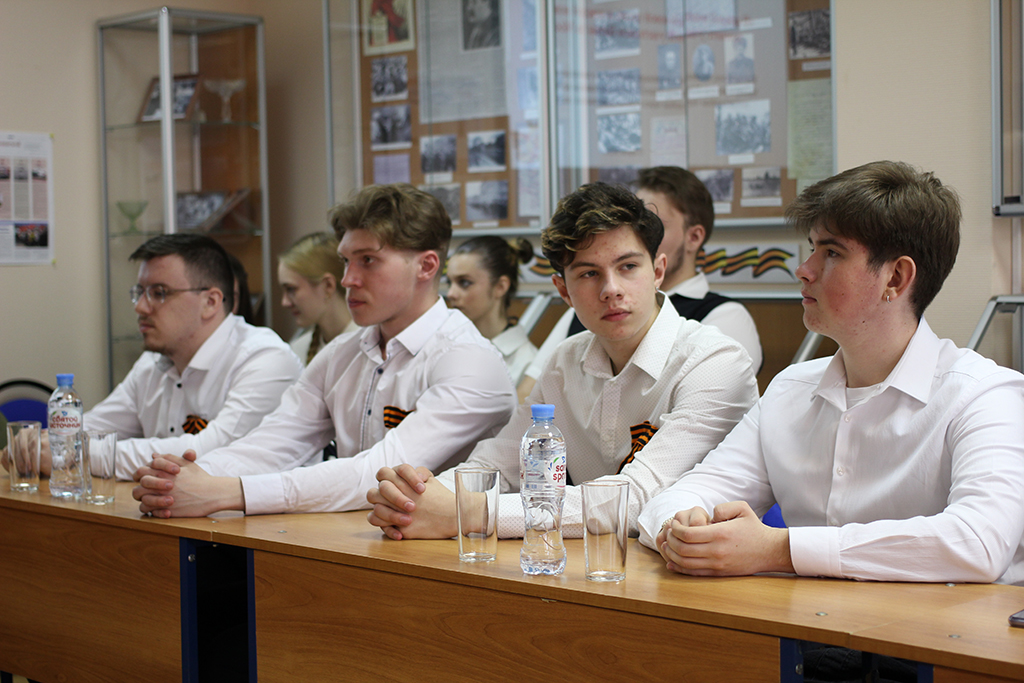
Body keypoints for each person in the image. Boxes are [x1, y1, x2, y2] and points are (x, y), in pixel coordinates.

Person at [639, 161, 1024, 588]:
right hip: (808, 623)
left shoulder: (985, 395)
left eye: (832, 253)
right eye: (812, 248)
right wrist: (682, 528)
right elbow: (684, 494)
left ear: (896, 277)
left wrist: (779, 549)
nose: (804, 269)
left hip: (944, 629)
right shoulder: (790, 390)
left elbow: (979, 542)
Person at [365, 182, 759, 541]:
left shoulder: (715, 362)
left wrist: (468, 512)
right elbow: (501, 461)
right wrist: (416, 499)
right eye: (588, 274)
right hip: (592, 567)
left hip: (697, 577)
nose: (611, 289)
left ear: (657, 271)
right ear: (563, 291)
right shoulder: (565, 361)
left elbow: (635, 498)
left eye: (627, 267)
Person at [131, 183, 515, 518]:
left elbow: (378, 473)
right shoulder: (343, 352)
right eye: (346, 261)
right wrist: (185, 479)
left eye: (368, 261)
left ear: (426, 266)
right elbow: (276, 441)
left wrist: (231, 492)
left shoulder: (470, 361)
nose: (348, 279)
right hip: (355, 538)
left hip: (453, 559)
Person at [0, 234, 303, 481]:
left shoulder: (265, 359)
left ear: (210, 302)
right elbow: (94, 427)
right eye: (139, 292)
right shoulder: (151, 364)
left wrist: (73, 453)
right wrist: (43, 443)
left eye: (159, 293)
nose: (140, 307)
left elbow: (207, 453)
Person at [518, 166, 762, 401]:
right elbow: (530, 398)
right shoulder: (584, 308)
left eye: (654, 222)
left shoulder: (724, 317)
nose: (635, 232)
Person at [445, 236, 537, 386]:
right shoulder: (444, 347)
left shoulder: (528, 364)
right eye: (449, 282)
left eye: (465, 282)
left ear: (500, 287)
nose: (451, 293)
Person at [278, 232, 358, 365]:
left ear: (328, 285)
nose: (285, 302)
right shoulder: (298, 350)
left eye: (291, 289)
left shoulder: (372, 346)